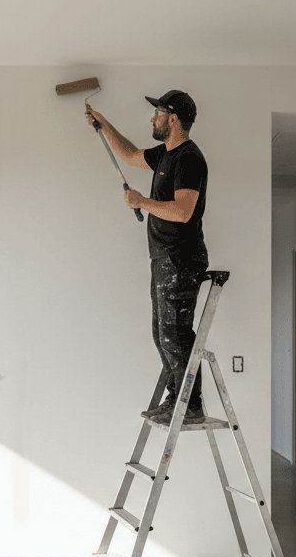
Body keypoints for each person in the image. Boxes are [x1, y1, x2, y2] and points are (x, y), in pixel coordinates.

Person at [85, 90, 209, 425]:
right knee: (162, 332)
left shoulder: (188, 158)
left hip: (180, 258)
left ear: (172, 119)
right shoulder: (165, 155)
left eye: (157, 114)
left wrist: (142, 202)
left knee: (175, 333)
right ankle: (178, 399)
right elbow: (128, 154)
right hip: (165, 259)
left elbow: (184, 212)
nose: (151, 119)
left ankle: (190, 405)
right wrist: (103, 123)